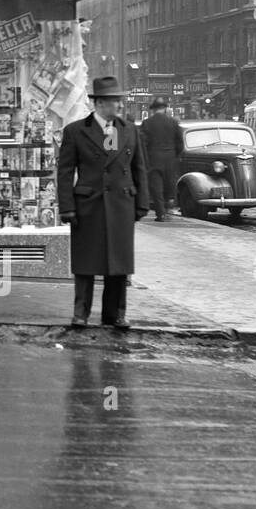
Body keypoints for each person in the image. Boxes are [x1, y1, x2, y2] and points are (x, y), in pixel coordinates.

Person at [56, 76, 149, 330]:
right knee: (86, 263)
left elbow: (140, 168)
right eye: (111, 102)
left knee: (119, 263)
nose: (116, 106)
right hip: (89, 205)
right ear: (97, 103)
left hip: (121, 204)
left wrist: (142, 203)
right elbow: (65, 172)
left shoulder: (129, 130)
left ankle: (115, 314)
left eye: (118, 101)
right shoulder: (76, 131)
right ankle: (81, 313)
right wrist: (67, 207)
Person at [139, 96, 184, 221]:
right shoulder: (173, 122)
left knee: (156, 186)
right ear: (165, 109)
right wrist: (174, 155)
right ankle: (169, 207)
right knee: (169, 184)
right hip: (170, 158)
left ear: (153, 110)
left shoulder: (147, 123)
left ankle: (161, 214)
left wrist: (145, 157)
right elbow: (180, 143)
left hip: (154, 158)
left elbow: (143, 143)